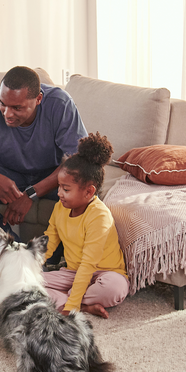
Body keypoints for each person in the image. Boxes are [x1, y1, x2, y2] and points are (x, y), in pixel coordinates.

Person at [0, 66, 86, 244]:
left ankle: (61, 258)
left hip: (51, 176)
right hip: (8, 173)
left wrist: (31, 194)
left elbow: (80, 159)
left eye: (17, 108)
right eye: (3, 104)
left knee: (87, 189)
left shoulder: (60, 103)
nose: (7, 114)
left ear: (38, 99)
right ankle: (11, 248)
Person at [41, 133, 129, 319]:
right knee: (25, 284)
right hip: (73, 273)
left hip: (105, 273)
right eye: (59, 187)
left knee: (114, 289)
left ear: (89, 191)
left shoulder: (99, 216)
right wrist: (28, 269)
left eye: (66, 189)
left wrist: (71, 306)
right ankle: (85, 306)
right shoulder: (60, 208)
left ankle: (70, 301)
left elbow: (89, 264)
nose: (59, 194)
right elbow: (48, 244)